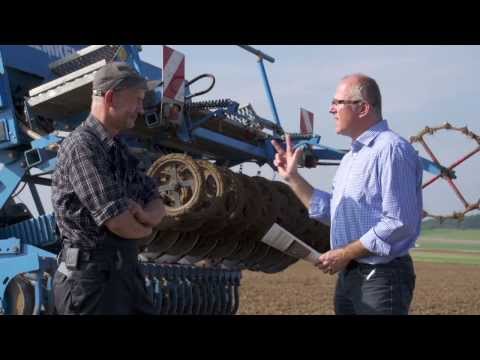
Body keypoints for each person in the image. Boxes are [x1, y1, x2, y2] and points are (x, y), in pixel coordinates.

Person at [272, 74, 423, 315]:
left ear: (363, 108)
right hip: (350, 275)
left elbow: (399, 222)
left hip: (381, 277)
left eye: (338, 102)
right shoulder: (351, 157)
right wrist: (293, 178)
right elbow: (335, 212)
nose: (331, 109)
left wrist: (345, 253)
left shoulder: (391, 149)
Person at [51, 61, 166, 314]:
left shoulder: (119, 150)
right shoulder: (82, 147)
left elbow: (156, 200)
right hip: (91, 282)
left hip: (124, 274)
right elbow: (118, 222)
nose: (140, 108)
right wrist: (148, 230)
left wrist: (146, 216)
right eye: (136, 100)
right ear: (111, 98)